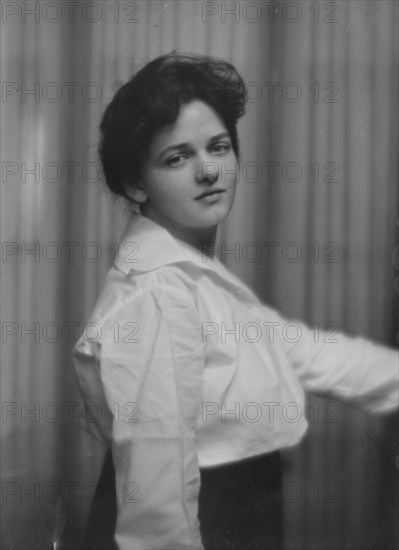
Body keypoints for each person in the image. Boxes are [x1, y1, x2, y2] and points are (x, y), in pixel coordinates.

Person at [72, 52, 398, 550]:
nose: (208, 170)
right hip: (200, 522)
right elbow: (157, 508)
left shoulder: (195, 278)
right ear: (136, 183)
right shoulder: (158, 296)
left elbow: (308, 353)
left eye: (218, 147)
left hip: (237, 516)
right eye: (177, 157)